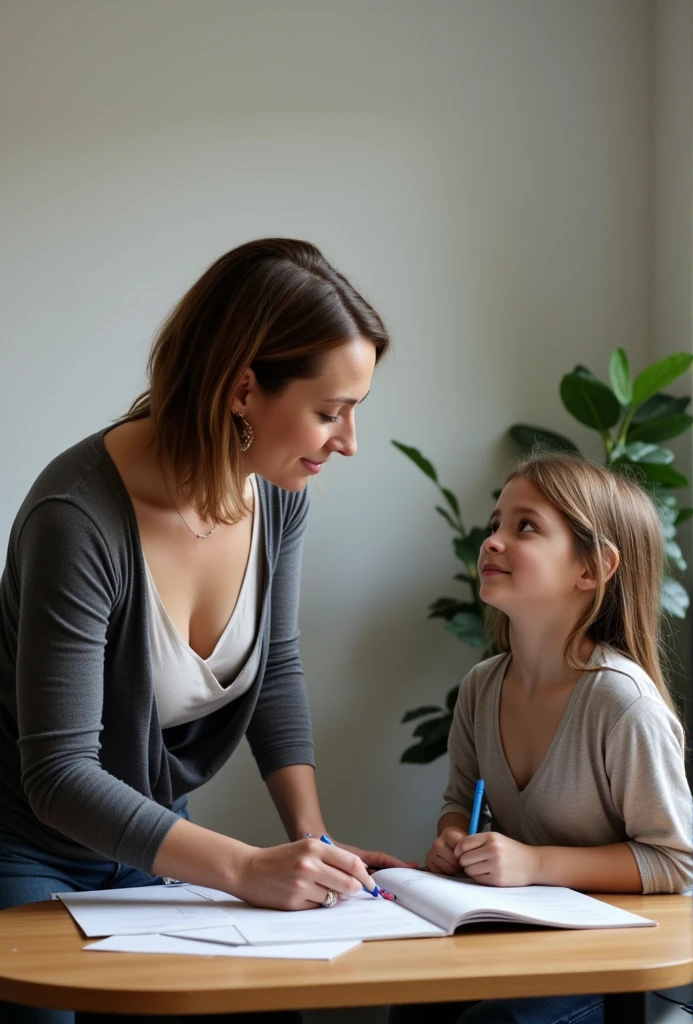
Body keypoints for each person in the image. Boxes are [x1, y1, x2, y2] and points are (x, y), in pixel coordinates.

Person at [0, 238, 407, 1024]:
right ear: (243, 389)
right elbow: (57, 773)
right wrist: (246, 868)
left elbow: (275, 668)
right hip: (25, 842)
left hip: (149, 840)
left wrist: (312, 845)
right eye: (330, 413)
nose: (349, 443)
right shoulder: (77, 518)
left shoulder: (278, 496)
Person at [389, 453, 693, 1024]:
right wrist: (453, 840)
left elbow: (675, 863)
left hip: (619, 963)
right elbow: (459, 803)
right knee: (413, 1005)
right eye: (495, 524)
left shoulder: (621, 704)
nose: (493, 541)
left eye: (524, 526)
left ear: (593, 568)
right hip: (536, 936)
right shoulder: (481, 688)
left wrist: (533, 863)